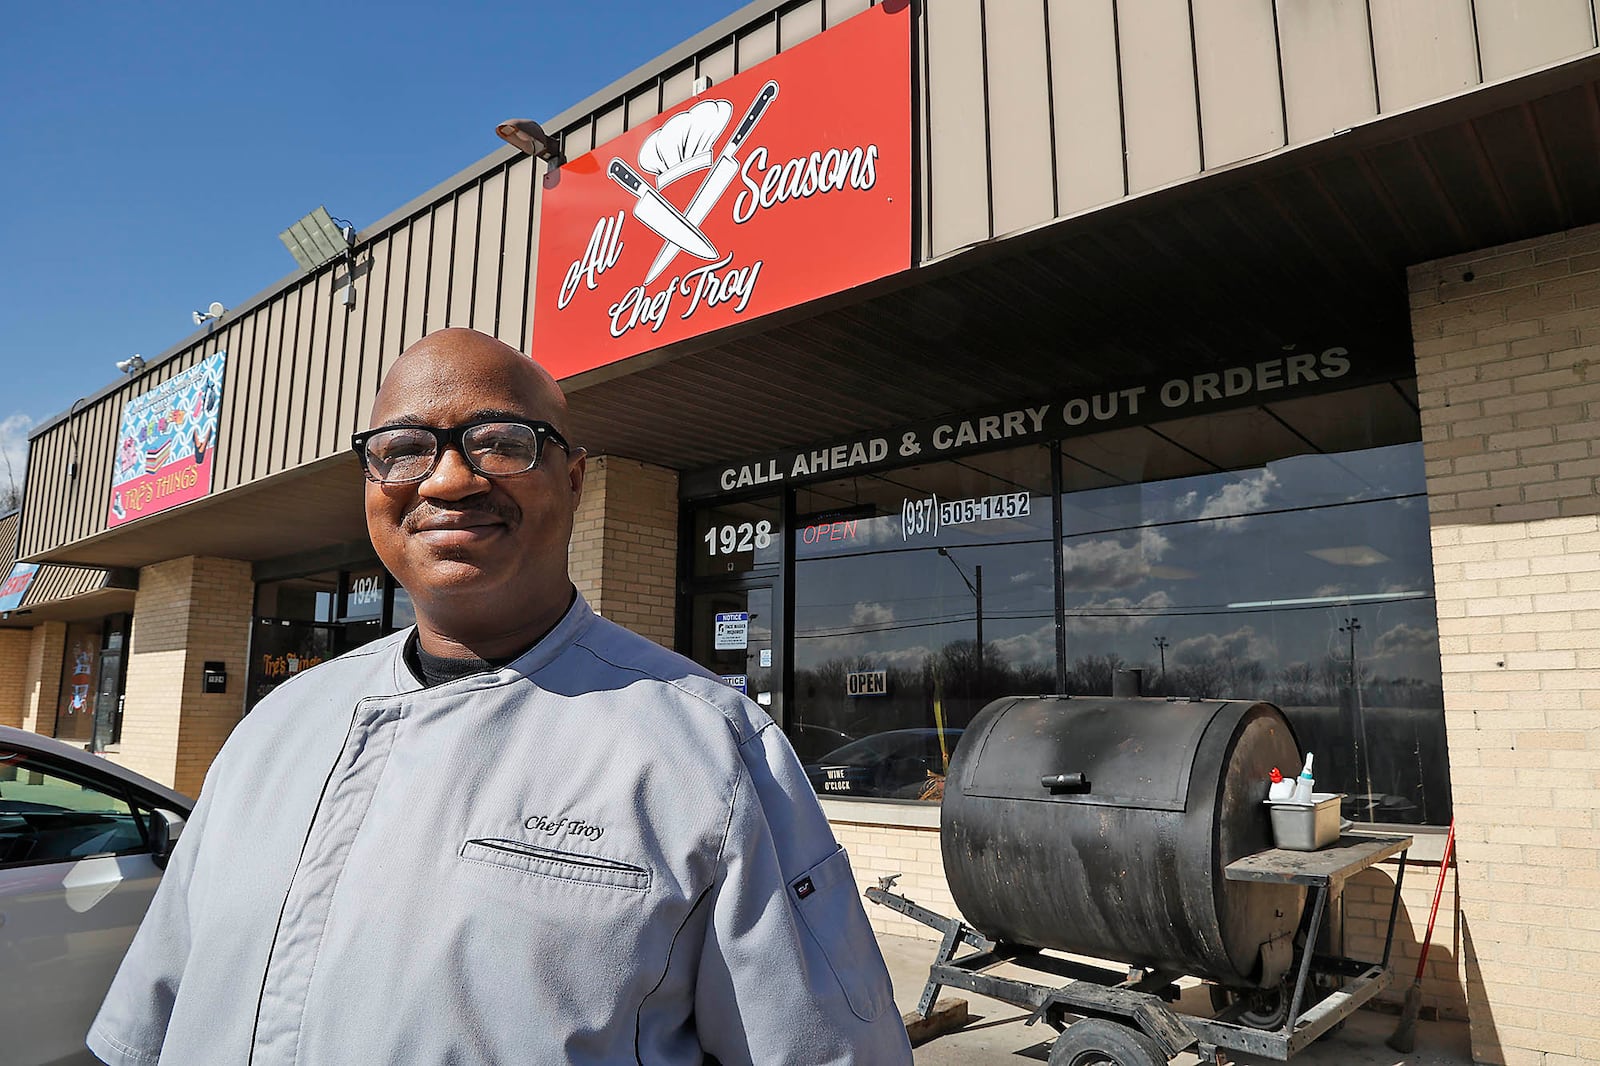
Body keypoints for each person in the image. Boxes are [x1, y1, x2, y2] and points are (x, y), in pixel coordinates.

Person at [89, 328, 912, 1065]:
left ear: (576, 479)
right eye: (403, 447)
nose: (448, 479)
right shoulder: (277, 727)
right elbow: (148, 1024)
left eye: (499, 442)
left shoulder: (710, 750)